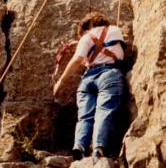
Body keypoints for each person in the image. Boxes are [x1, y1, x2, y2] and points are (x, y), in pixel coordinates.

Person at [53, 12, 127, 159]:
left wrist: (60, 82)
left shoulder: (86, 38)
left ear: (89, 25)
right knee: (104, 111)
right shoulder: (115, 30)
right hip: (109, 74)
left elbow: (78, 58)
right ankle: (99, 147)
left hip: (88, 79)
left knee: (85, 116)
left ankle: (79, 146)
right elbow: (104, 43)